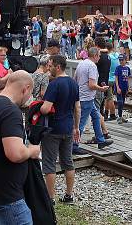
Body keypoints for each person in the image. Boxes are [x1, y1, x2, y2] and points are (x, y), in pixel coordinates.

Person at [0, 71, 41, 224]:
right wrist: (32, 150)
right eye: (29, 93)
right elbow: (15, 153)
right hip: (5, 198)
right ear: (26, 88)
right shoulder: (10, 111)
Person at [40, 55, 80, 203]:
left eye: (50, 66)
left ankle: (50, 198)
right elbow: (77, 108)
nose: (48, 68)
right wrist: (76, 127)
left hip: (53, 129)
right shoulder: (73, 83)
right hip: (68, 127)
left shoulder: (54, 84)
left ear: (57, 67)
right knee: (68, 162)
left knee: (49, 163)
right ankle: (69, 195)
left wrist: (38, 105)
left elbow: (45, 109)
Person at [74, 47, 113, 149]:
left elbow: (75, 79)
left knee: (96, 117)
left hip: (82, 96)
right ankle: (74, 145)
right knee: (81, 122)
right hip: (87, 97)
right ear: (95, 56)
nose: (99, 58)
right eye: (99, 56)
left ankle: (100, 140)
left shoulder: (81, 63)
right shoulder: (92, 66)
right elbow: (91, 85)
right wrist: (101, 88)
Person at [114, 55, 131, 123]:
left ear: (125, 60)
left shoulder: (127, 68)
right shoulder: (118, 68)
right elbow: (116, 78)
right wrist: (117, 87)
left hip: (124, 87)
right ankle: (119, 116)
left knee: (123, 101)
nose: (121, 61)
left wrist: (128, 87)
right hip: (119, 87)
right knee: (120, 101)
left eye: (122, 60)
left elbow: (128, 78)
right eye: (120, 60)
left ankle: (121, 116)